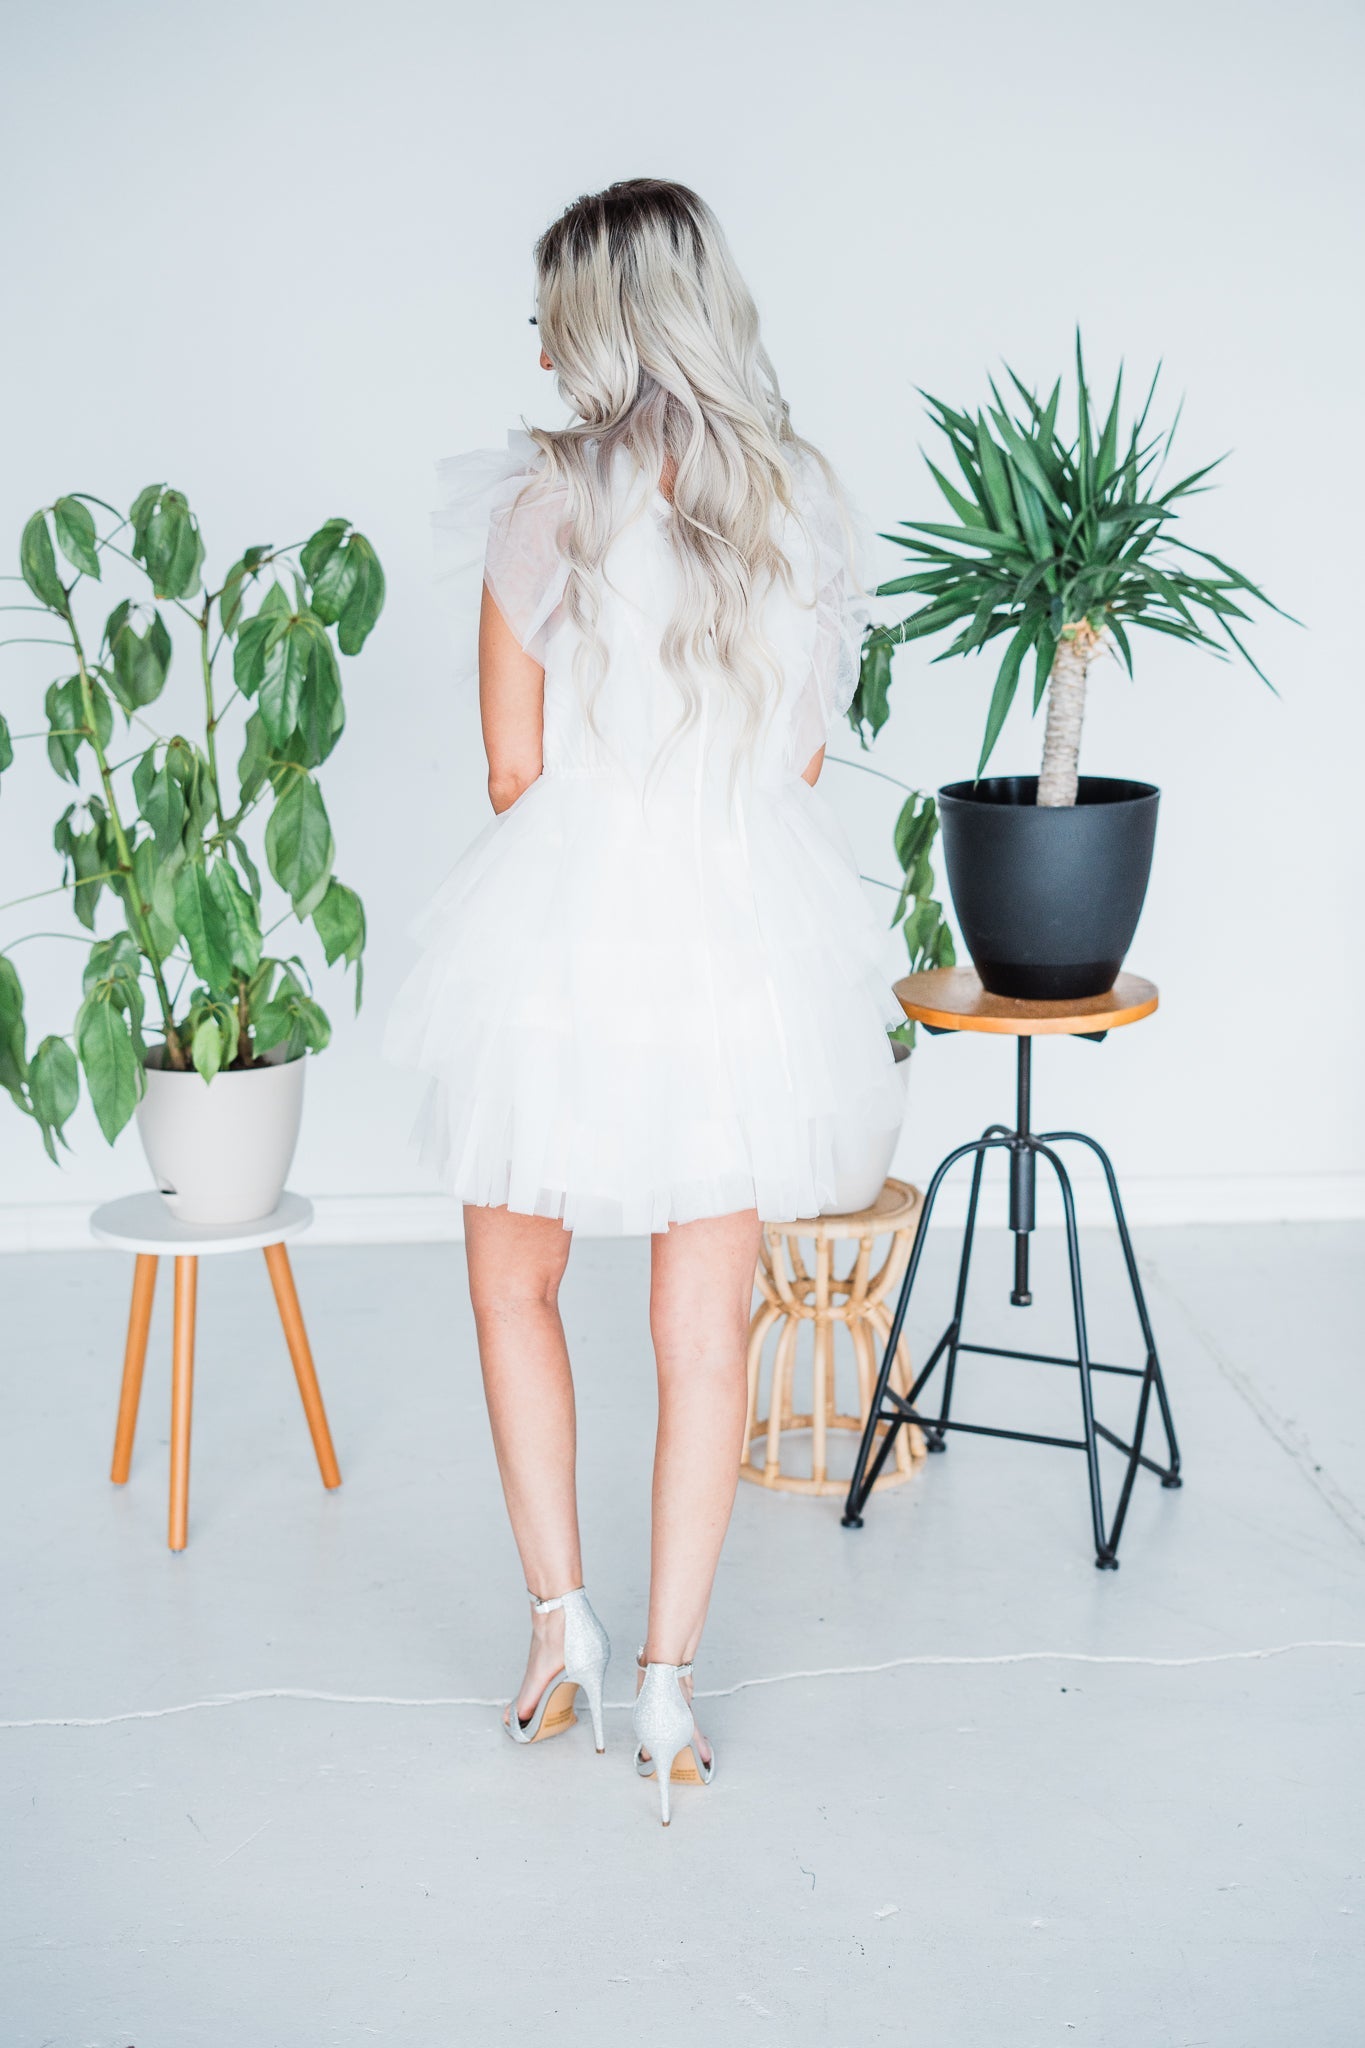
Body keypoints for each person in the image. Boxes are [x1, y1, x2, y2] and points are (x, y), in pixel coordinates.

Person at [384, 178, 904, 1826]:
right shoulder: (800, 499)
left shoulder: (545, 500)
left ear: (598, 319)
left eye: (552, 311)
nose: (536, 343)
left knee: (511, 1290)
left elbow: (508, 766)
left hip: (565, 918)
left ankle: (562, 1632)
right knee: (703, 1336)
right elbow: (808, 755)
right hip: (740, 925)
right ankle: (671, 1695)